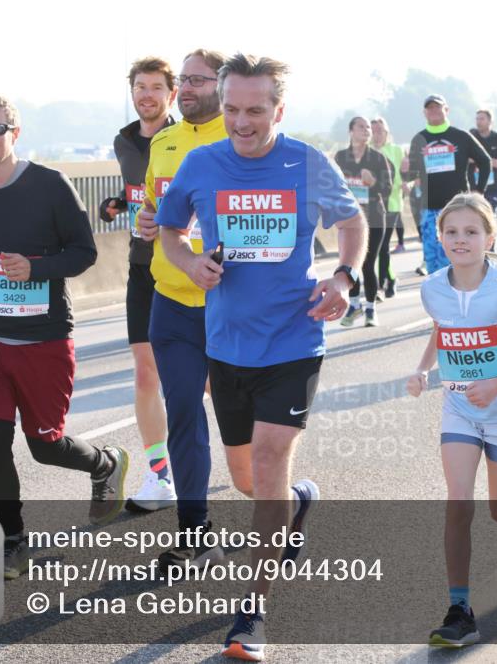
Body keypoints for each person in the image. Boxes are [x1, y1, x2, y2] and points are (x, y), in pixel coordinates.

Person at [154, 53, 366, 662]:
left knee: (269, 464)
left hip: (294, 341)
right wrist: (191, 262)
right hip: (226, 346)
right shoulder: (201, 162)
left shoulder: (307, 162)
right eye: (231, 109)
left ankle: (250, 615)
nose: (241, 122)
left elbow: (353, 224)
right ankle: (299, 503)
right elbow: (170, 232)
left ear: (279, 109)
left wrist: (345, 278)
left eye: (254, 110)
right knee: (252, 481)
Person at [0, 95, 123, 580]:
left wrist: (34, 269)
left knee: (44, 444)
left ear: (15, 133)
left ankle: (105, 464)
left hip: (43, 339)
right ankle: (12, 541)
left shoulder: (50, 186)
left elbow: (83, 253)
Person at [406, 193, 497, 648]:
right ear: (440, 238)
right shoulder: (432, 287)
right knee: (458, 502)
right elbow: (442, 328)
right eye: (451, 232)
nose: (460, 240)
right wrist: (424, 367)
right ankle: (460, 610)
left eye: (471, 232)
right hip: (460, 409)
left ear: (490, 238)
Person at [134, 48, 229, 568]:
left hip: (229, 306)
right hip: (170, 301)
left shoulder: (240, 141)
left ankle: (286, 504)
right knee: (185, 416)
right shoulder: (165, 142)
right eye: (184, 79)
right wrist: (147, 221)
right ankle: (196, 532)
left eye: (198, 79)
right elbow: (152, 206)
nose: (186, 88)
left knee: (246, 426)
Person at [100, 57, 177, 512]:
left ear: (171, 94)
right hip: (141, 267)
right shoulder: (124, 141)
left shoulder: (188, 140)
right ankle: (160, 476)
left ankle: (255, 452)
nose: (146, 94)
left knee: (207, 378)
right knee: (147, 373)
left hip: (186, 269)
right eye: (139, 86)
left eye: (155, 87)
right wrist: (117, 204)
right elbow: (140, 194)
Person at [406, 94, 491, 275]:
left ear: (447, 110)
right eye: (430, 108)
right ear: (424, 113)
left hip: (458, 209)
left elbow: (485, 161)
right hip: (429, 210)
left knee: (460, 261)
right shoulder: (418, 139)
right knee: (433, 263)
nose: (434, 111)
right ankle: (439, 301)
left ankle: (466, 295)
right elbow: (410, 175)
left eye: (438, 107)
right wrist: (404, 170)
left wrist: (479, 191)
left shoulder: (460, 136)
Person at [335, 117, 392, 327]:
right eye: (361, 126)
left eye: (368, 127)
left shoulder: (377, 158)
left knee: (368, 263)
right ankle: (354, 304)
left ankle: (370, 308)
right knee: (350, 263)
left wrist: (373, 183)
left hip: (375, 217)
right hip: (350, 219)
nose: (367, 130)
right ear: (351, 131)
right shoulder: (341, 157)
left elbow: (387, 189)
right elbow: (332, 189)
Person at [370, 116, 403, 296]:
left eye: (380, 131)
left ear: (386, 133)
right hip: (373, 205)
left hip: (392, 203)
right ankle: (388, 279)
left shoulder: (396, 150)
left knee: (382, 247)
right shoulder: (365, 152)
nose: (377, 135)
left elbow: (402, 176)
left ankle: (382, 283)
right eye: (373, 131)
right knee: (373, 248)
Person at [467, 109, 497, 218]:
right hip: (474, 185)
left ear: (490, 121)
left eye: (482, 119)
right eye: (477, 119)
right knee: (476, 216)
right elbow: (459, 156)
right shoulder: (470, 137)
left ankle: (490, 234)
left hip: (493, 185)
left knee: (490, 215)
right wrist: (470, 158)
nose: (478, 122)